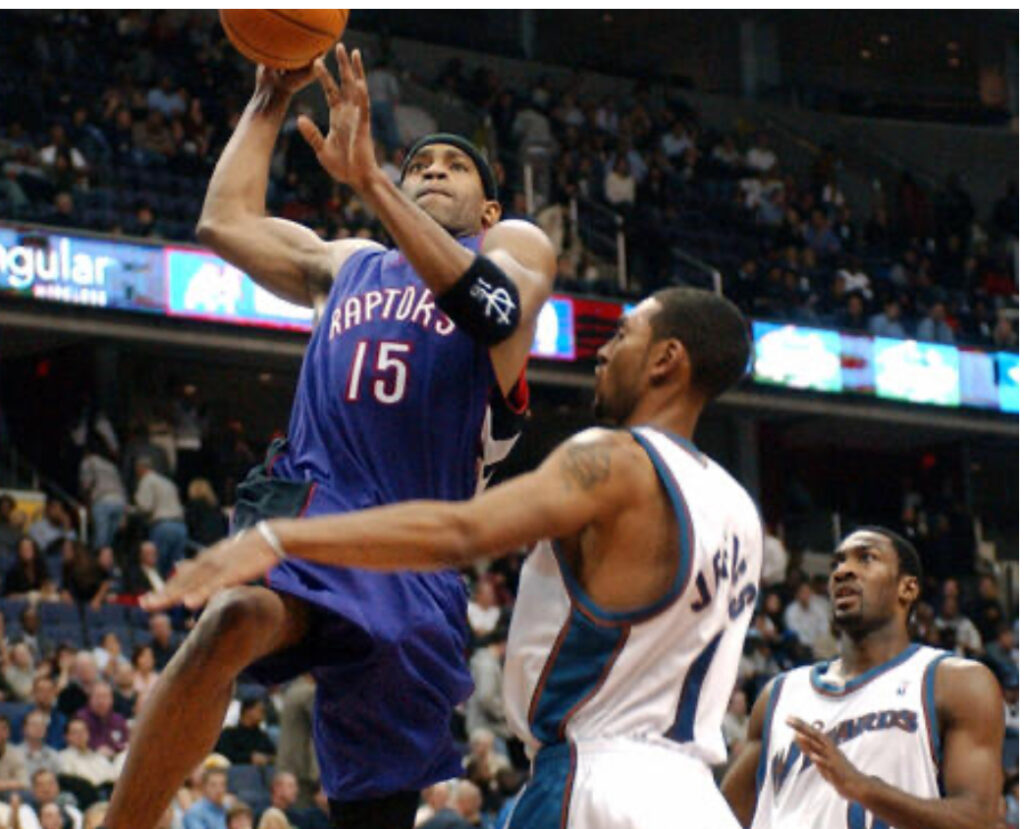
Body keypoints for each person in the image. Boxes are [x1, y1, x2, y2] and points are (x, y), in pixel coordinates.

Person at [108, 42, 554, 829]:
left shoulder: (514, 246)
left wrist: (377, 183)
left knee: (370, 814)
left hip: (415, 552)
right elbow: (224, 221)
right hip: (317, 508)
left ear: (489, 207)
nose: (435, 170)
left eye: (456, 166)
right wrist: (269, 98)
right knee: (231, 620)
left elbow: (495, 312)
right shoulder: (347, 262)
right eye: (422, 165)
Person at [146, 286, 761, 828]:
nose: (602, 351)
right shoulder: (739, 509)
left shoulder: (615, 460)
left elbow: (463, 529)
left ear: (666, 358)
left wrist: (282, 537)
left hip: (597, 786)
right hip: (694, 796)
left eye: (623, 334)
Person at [720, 527, 1005, 828]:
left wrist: (860, 787)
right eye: (837, 563)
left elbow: (976, 820)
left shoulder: (954, 683)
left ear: (907, 589)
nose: (843, 571)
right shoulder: (779, 695)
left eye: (866, 558)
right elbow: (721, 817)